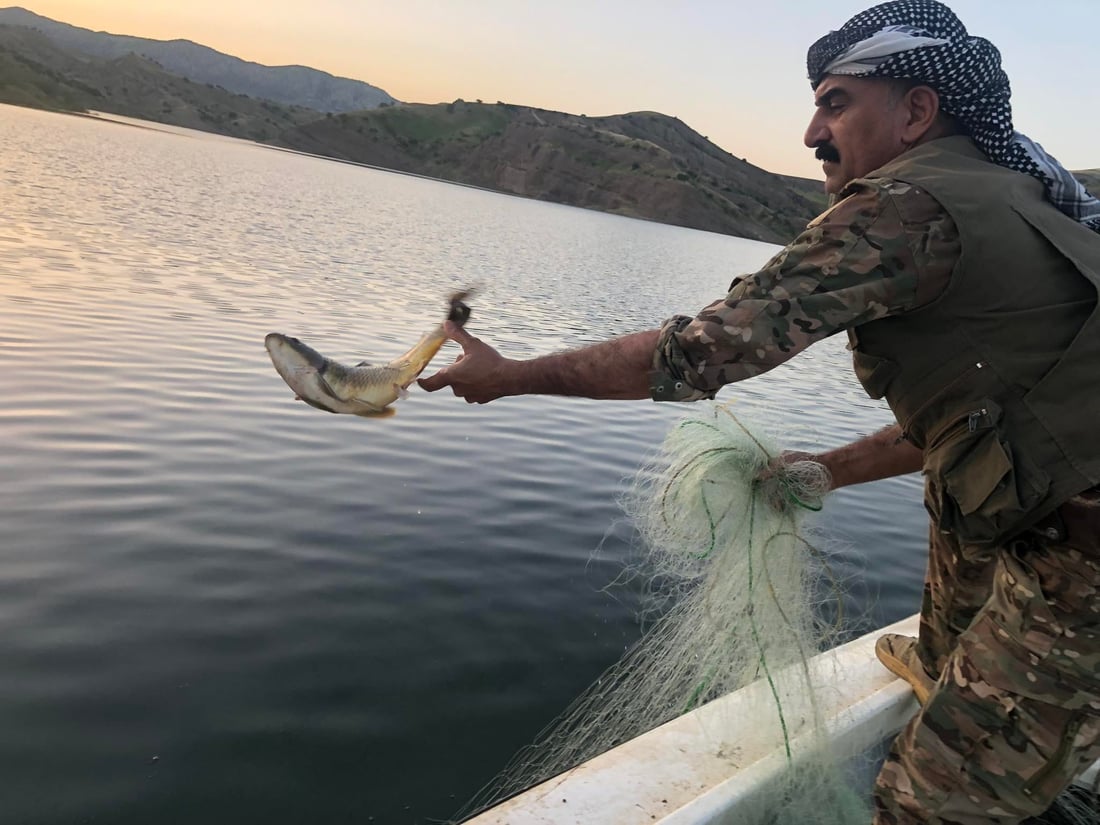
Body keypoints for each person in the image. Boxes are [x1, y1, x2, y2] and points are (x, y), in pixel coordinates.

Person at [420, 1, 1100, 821]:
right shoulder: (1019, 194)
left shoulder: (906, 207)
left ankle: (982, 762)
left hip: (1081, 560)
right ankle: (947, 671)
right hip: (1047, 489)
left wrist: (511, 375)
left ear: (917, 111)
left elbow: (698, 353)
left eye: (836, 104)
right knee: (960, 510)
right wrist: (823, 471)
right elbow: (980, 421)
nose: (812, 133)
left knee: (928, 803)